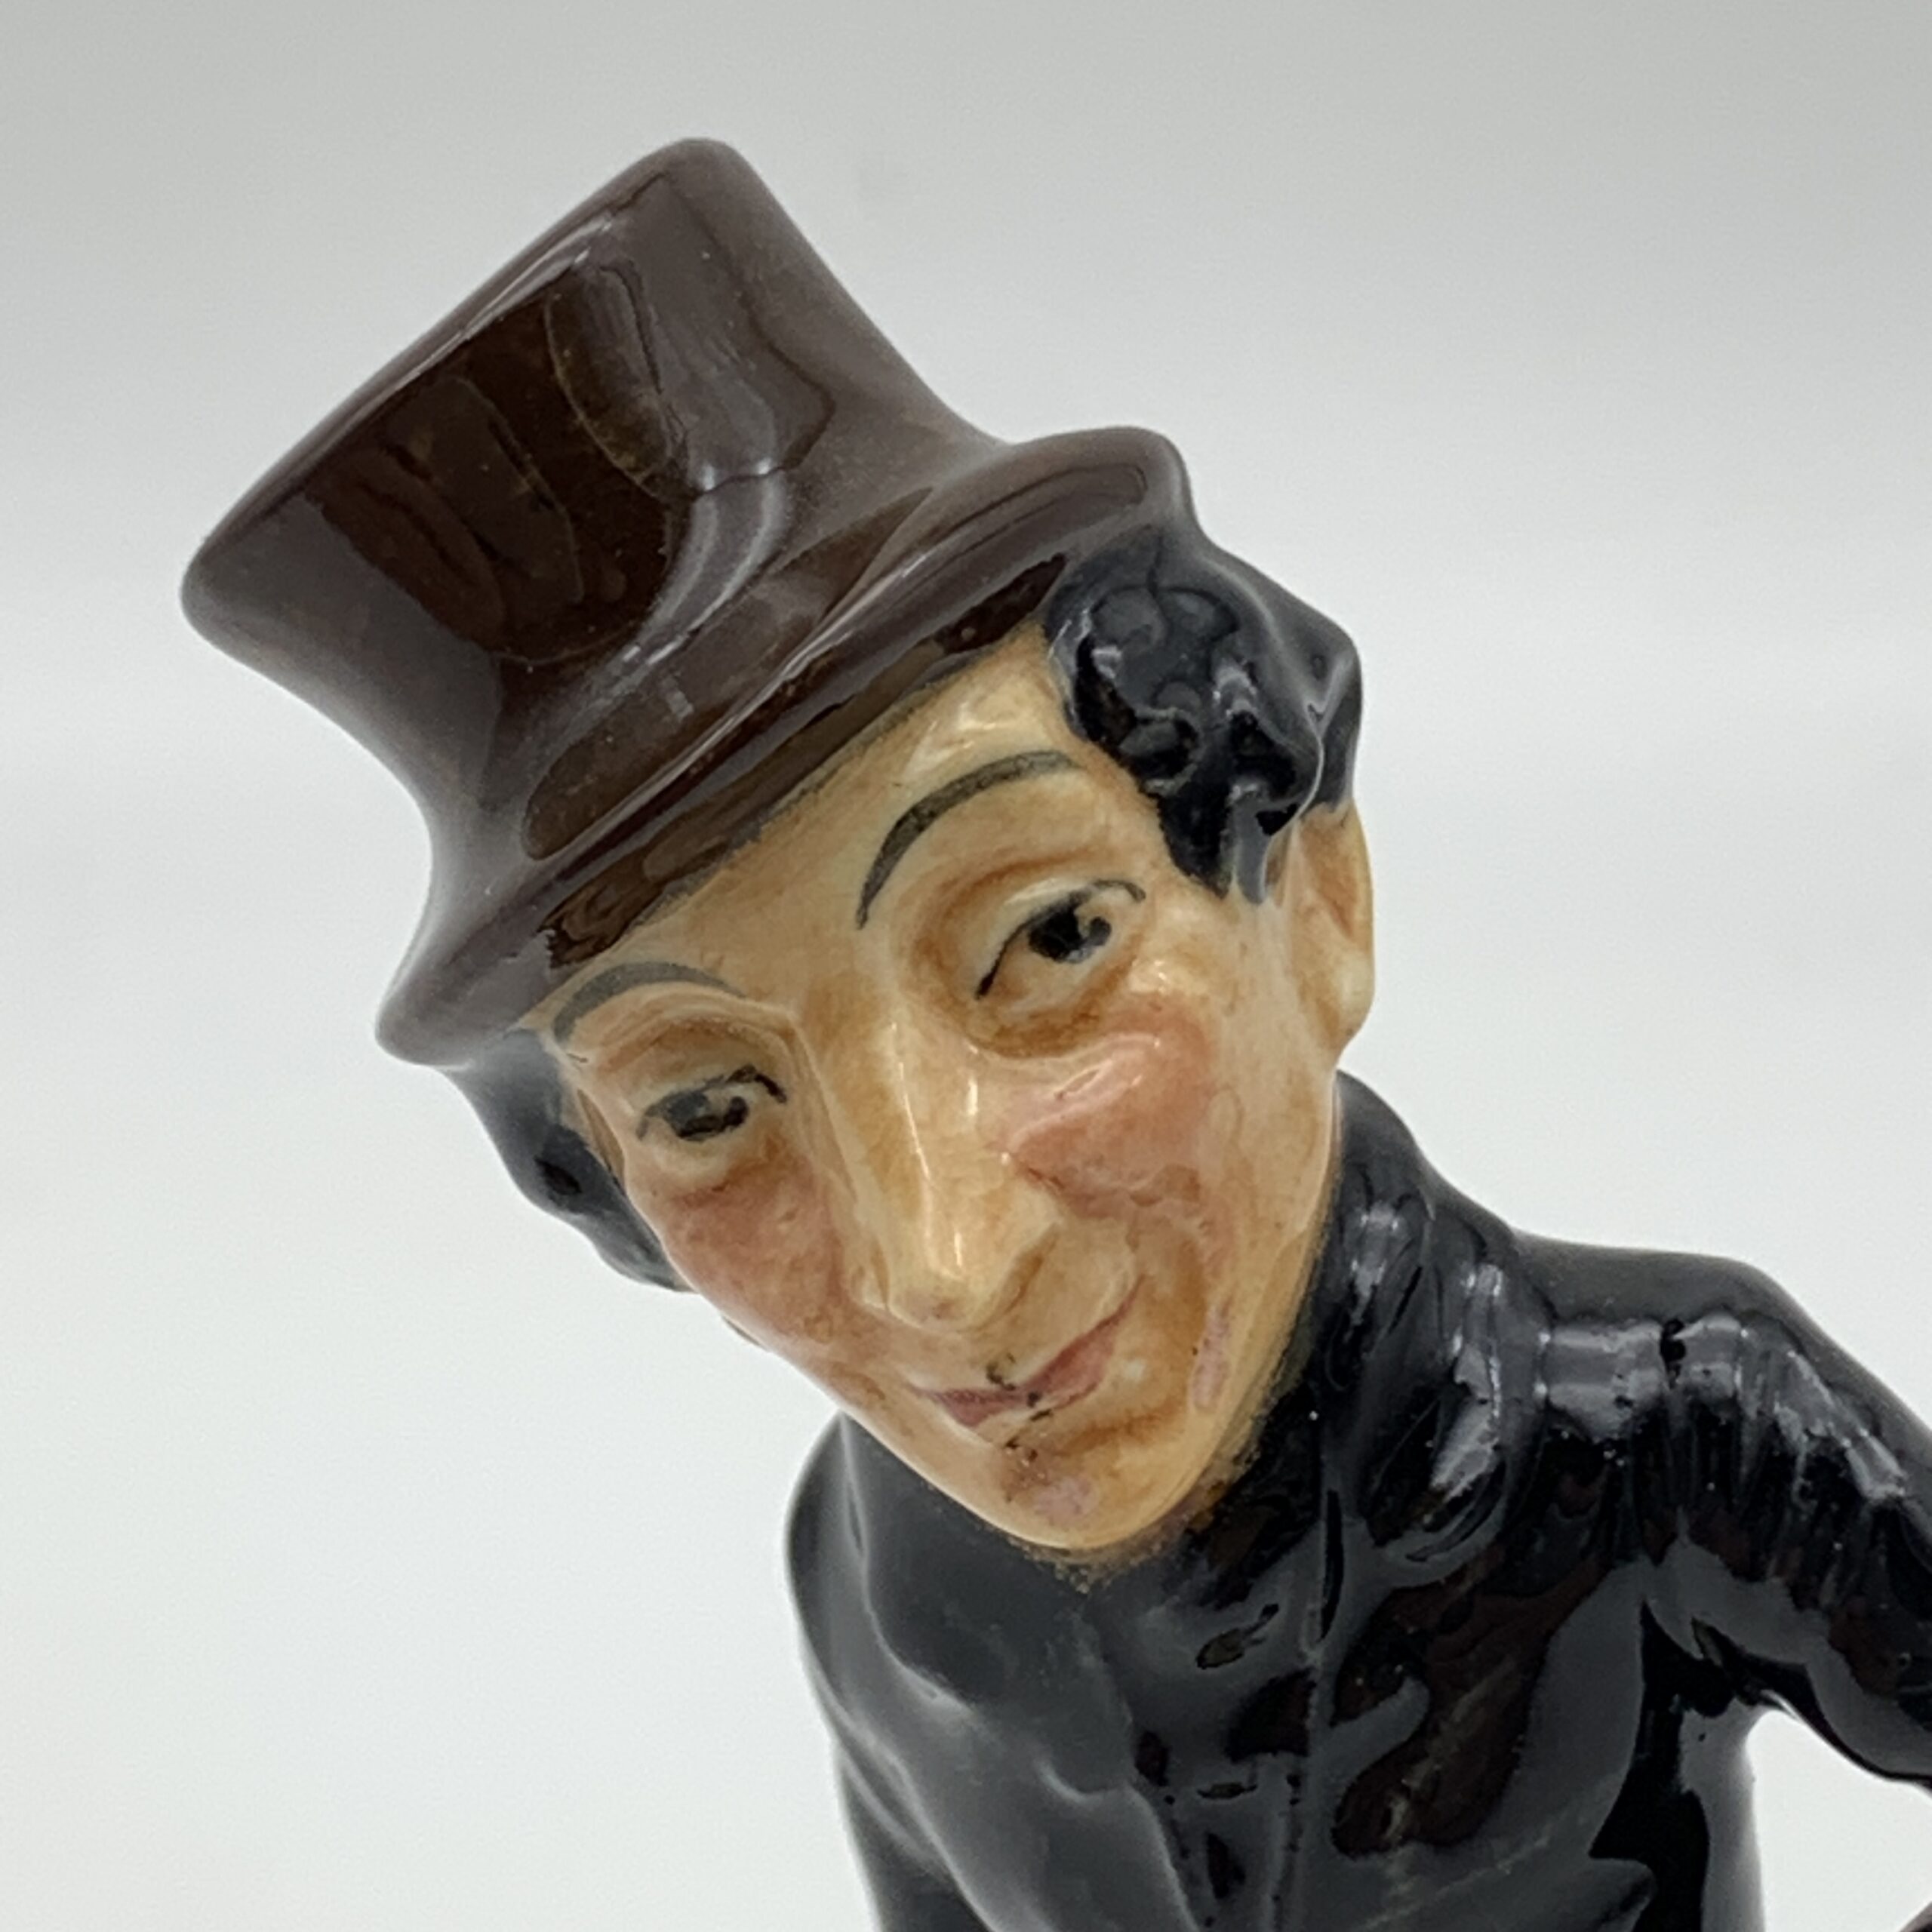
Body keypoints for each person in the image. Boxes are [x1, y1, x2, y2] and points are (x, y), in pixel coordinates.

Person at [183, 140, 1932, 1931]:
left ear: (1315, 891)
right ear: (608, 1188)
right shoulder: (867, 1585)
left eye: (1047, 940)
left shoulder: (1660, 1435)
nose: (941, 1265)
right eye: (707, 1106)